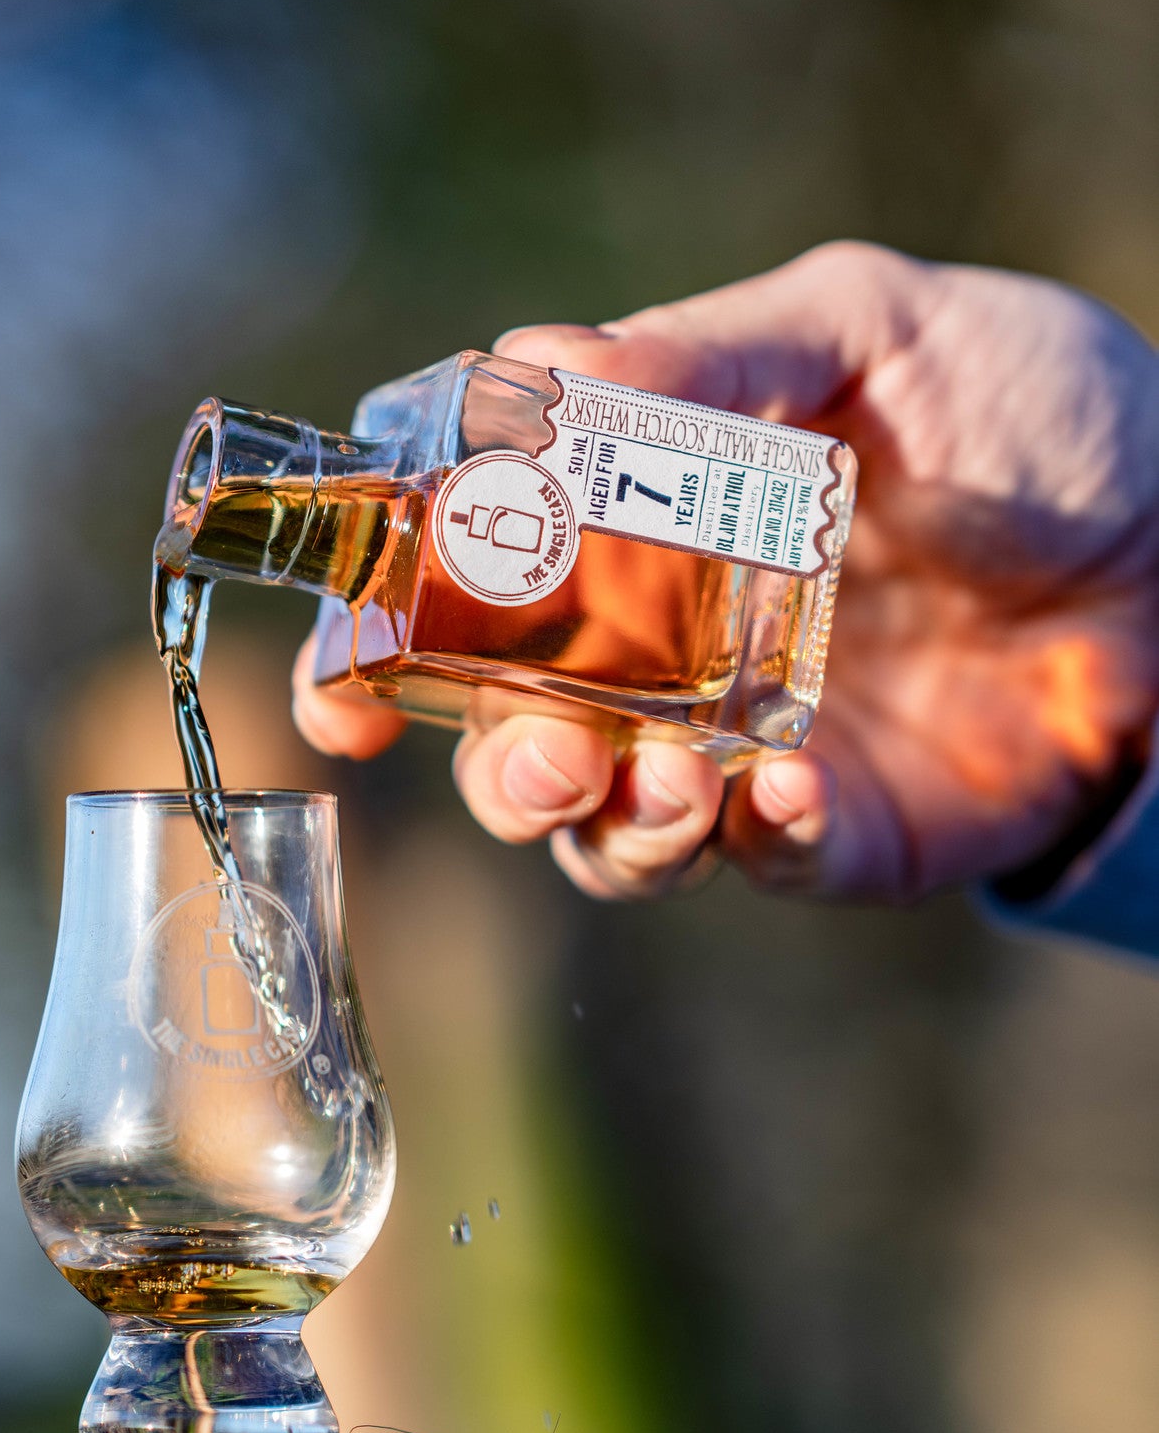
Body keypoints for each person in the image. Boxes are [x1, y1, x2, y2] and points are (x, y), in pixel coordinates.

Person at [292, 241, 1159, 958]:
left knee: (581, 751)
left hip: (881, 510)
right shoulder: (363, 643)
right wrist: (1112, 801)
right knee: (569, 762)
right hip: (988, 707)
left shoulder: (418, 425)